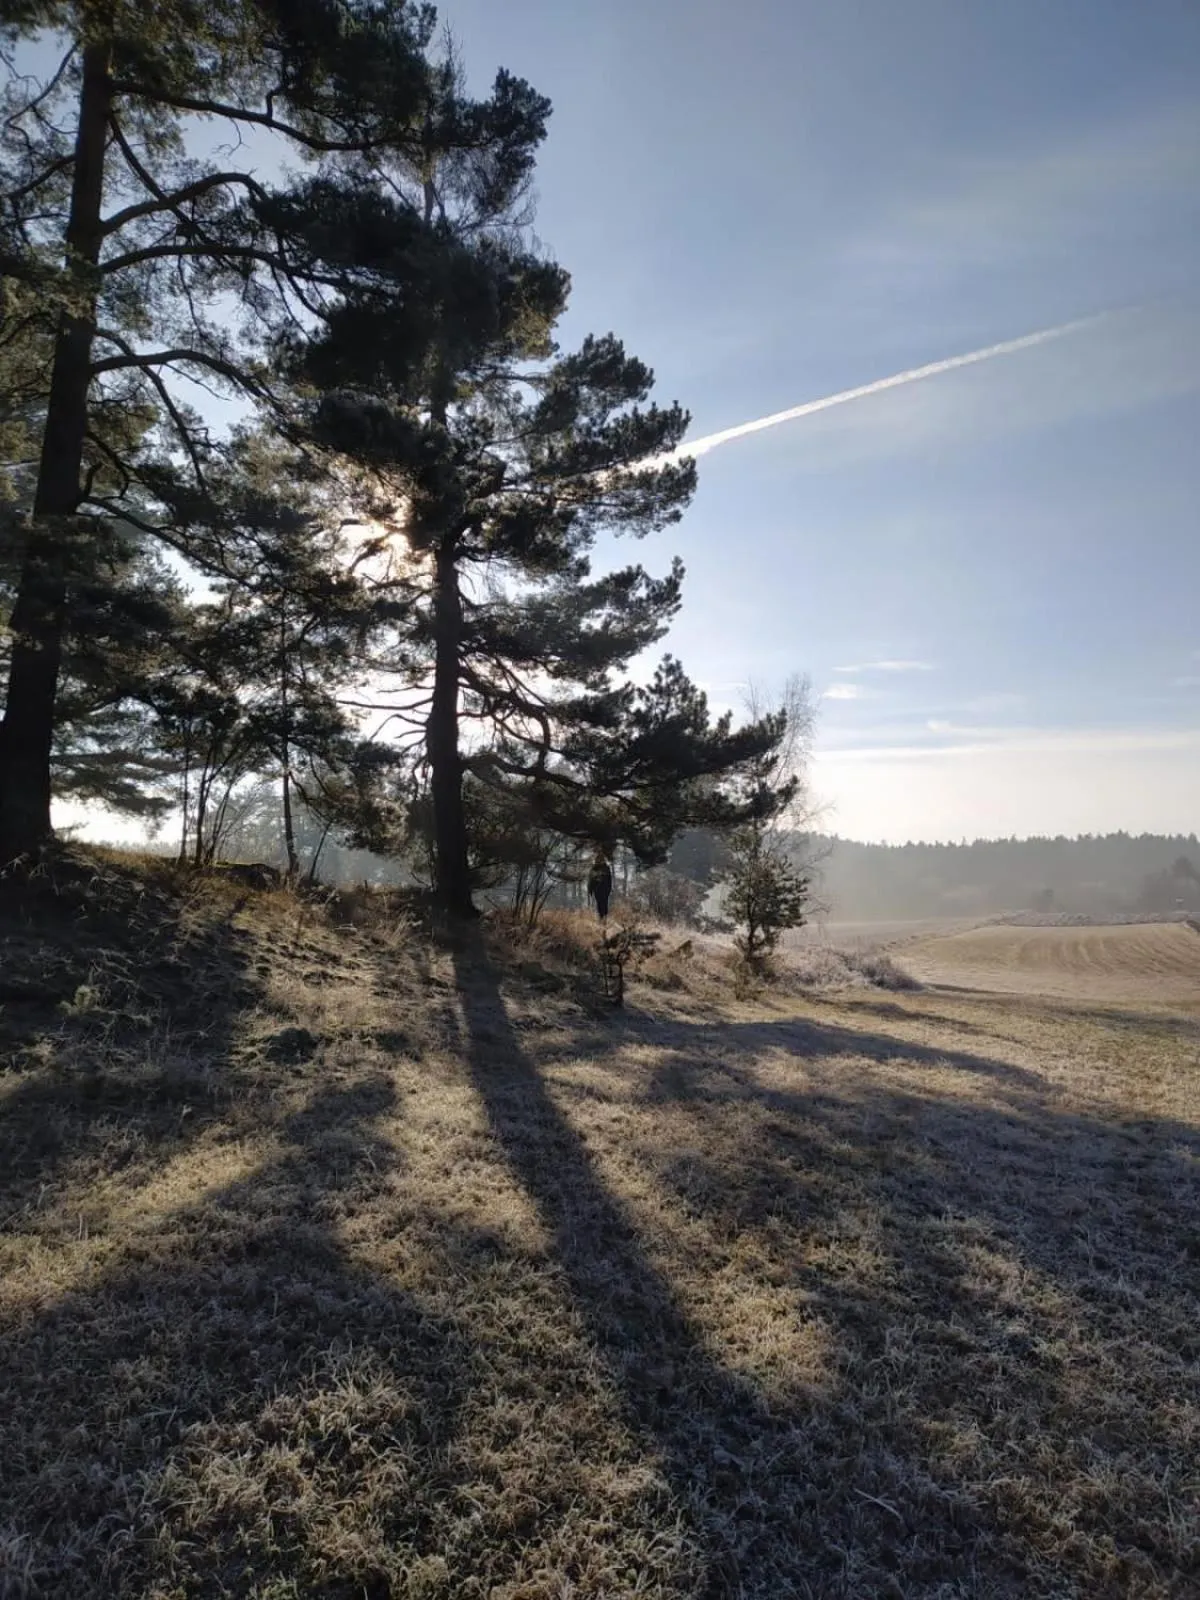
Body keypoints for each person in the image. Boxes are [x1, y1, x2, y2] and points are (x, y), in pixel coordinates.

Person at [587, 848, 613, 921]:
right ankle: (601, 918)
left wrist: (609, 889)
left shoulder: (606, 868)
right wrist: (590, 890)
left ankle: (604, 918)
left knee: (604, 904)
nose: (599, 860)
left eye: (601, 859)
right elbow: (591, 880)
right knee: (599, 904)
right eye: (598, 859)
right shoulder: (594, 868)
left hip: (605, 890)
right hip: (597, 890)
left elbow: (609, 880)